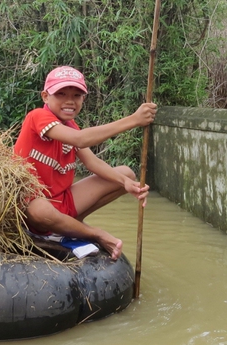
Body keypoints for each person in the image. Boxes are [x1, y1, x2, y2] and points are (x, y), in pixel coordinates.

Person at [14, 66, 157, 260]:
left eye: (76, 95)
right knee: (39, 209)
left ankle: (68, 228)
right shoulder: (37, 117)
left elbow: (92, 162)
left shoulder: (71, 126)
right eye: (61, 94)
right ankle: (93, 232)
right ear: (45, 96)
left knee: (126, 174)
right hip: (32, 208)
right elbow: (81, 139)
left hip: (60, 202)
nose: (70, 101)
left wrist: (126, 184)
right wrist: (134, 120)